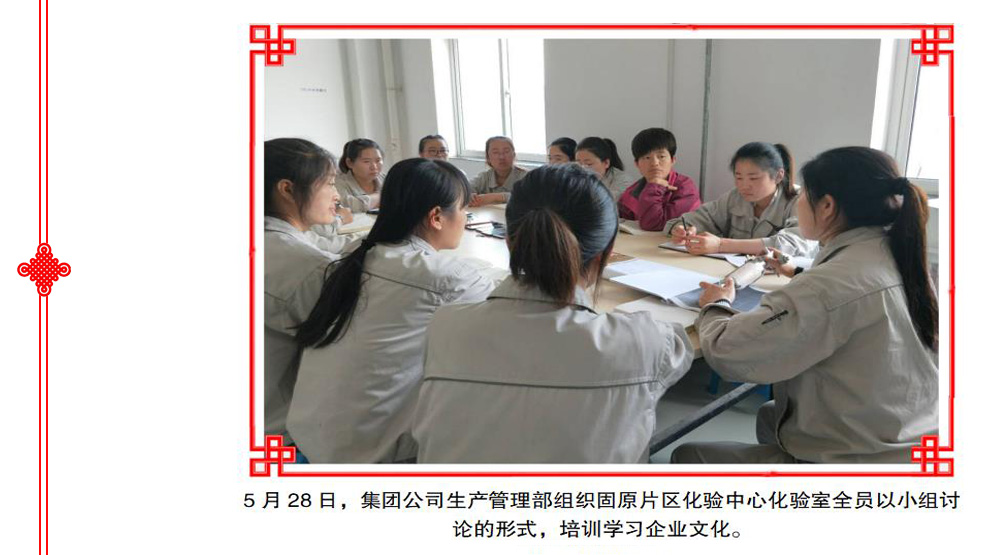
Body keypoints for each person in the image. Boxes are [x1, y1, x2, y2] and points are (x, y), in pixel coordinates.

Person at [671, 146, 938, 464]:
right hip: (913, 433)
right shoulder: (896, 253)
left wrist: (716, 305)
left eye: (805, 194)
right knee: (770, 415)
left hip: (862, 458)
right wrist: (796, 272)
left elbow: (729, 352)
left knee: (688, 455)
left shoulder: (826, 285)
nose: (799, 202)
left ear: (827, 206)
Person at [412, 164, 694, 463]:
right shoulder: (644, 340)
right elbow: (679, 351)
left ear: (509, 243)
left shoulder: (446, 325)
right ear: (608, 252)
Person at [287, 158, 503, 463]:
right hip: (369, 458)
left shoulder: (358, 252)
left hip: (309, 439)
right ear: (436, 217)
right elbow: (509, 311)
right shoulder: (447, 278)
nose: (465, 218)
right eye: (463, 210)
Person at [263, 138, 354, 445]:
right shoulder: (306, 268)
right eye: (329, 183)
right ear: (287, 190)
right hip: (282, 437)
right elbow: (350, 353)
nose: (337, 195)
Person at [664, 142, 815, 256]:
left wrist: (721, 245)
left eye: (753, 178)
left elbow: (793, 244)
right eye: (739, 177)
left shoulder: (800, 200)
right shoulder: (735, 197)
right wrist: (682, 229)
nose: (744, 186)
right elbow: (695, 218)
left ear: (778, 176)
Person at [617, 128, 701, 231]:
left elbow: (654, 225)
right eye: (647, 157)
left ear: (672, 160)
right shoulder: (630, 193)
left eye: (661, 156)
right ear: (637, 164)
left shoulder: (685, 187)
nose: (655, 163)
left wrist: (654, 187)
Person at [469, 136, 527, 206]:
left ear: (514, 155)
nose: (501, 157)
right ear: (488, 158)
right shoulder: (484, 177)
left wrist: (495, 197)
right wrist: (470, 196)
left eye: (506, 151)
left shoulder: (526, 176)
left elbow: (528, 196)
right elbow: (463, 189)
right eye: (495, 152)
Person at [336, 138, 385, 212]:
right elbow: (346, 205)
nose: (374, 167)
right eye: (366, 161)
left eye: (378, 160)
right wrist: (381, 197)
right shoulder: (338, 183)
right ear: (350, 163)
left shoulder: (386, 179)